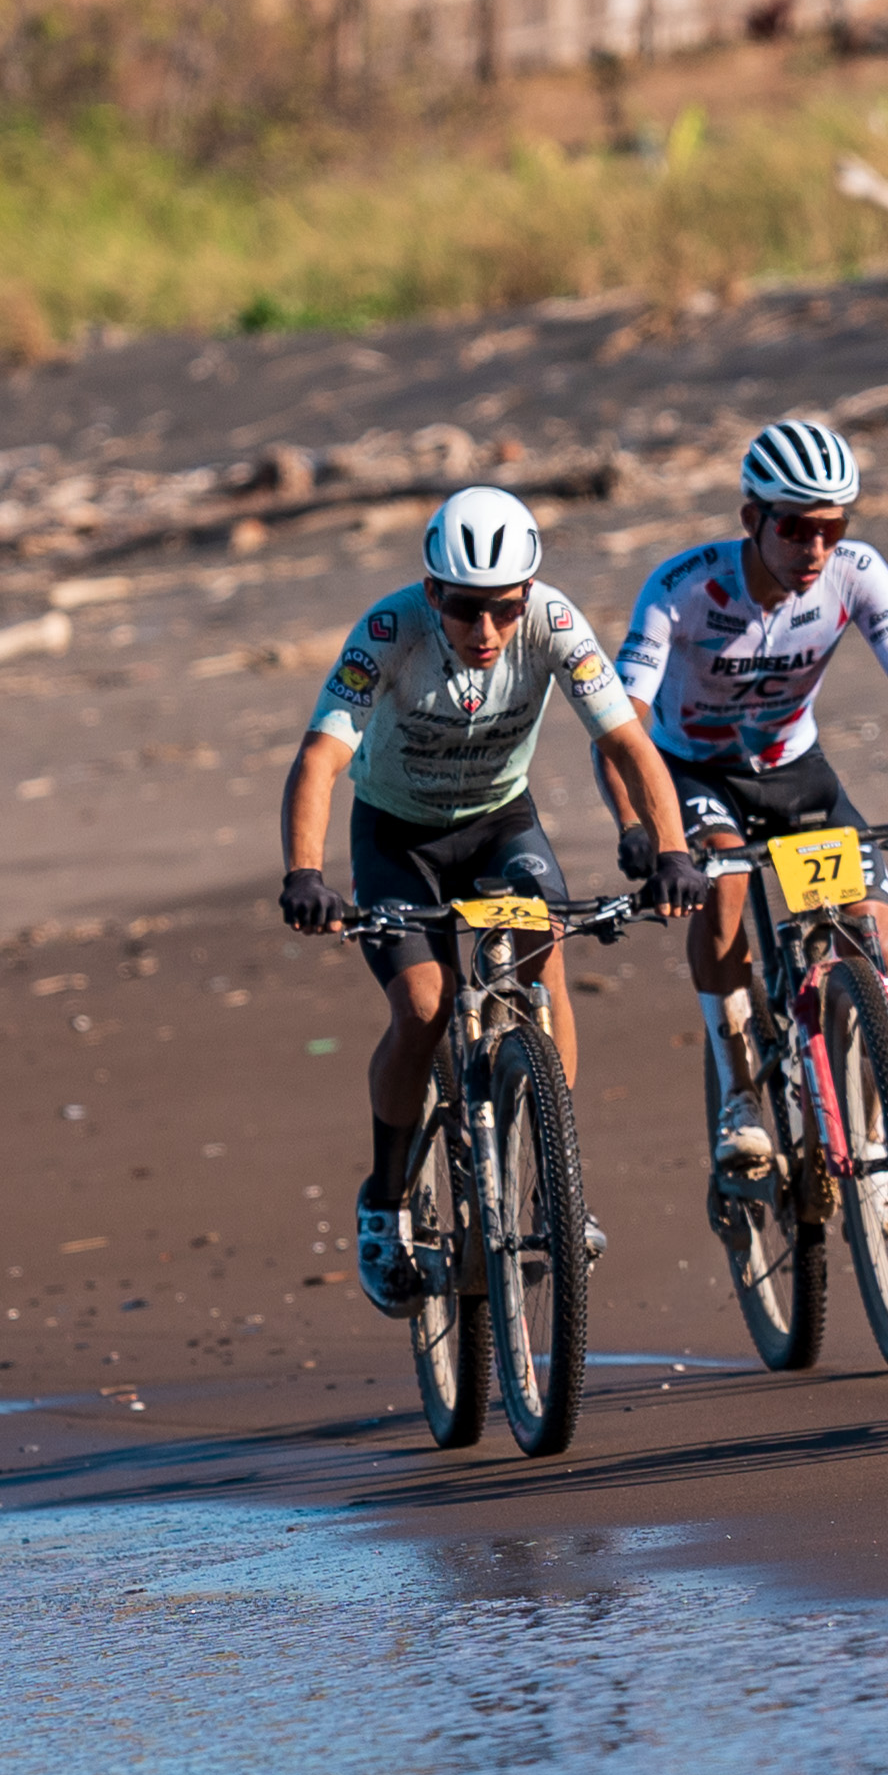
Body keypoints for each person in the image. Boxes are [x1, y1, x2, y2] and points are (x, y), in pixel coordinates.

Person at [274, 485, 707, 1315]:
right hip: (397, 838)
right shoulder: (389, 632)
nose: (487, 633)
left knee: (548, 949)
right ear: (434, 592)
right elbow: (321, 759)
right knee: (425, 1007)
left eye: (504, 611)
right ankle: (386, 1198)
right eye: (467, 611)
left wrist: (674, 851)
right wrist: (305, 874)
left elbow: (629, 743)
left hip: (498, 824)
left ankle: (555, 1174)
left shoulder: (553, 622)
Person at [607, 414, 888, 1178]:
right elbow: (623, 723)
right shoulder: (682, 588)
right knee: (722, 882)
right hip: (696, 773)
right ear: (753, 519)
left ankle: (879, 1149)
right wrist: (641, 827)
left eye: (832, 528)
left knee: (875, 935)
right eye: (797, 528)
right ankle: (739, 1089)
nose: (816, 549)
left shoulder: (858, 573)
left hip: (795, 770)